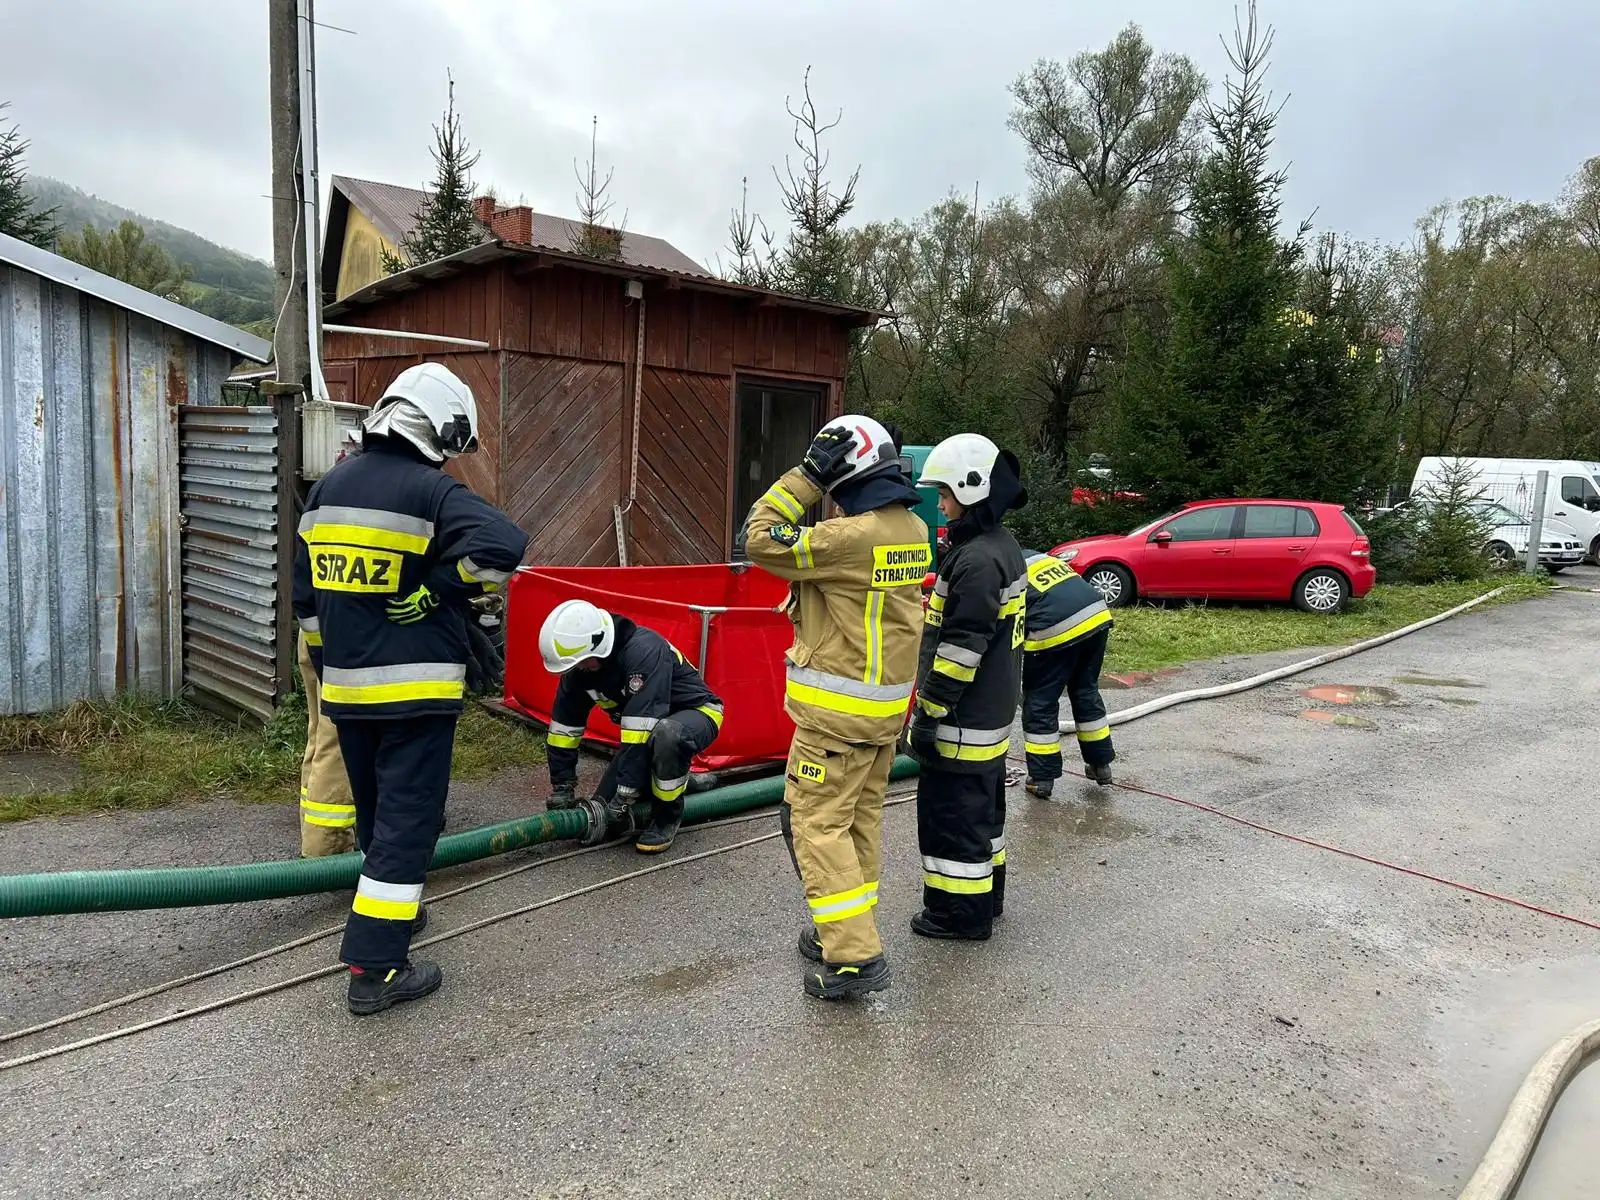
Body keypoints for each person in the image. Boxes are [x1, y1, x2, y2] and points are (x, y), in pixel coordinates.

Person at [293, 362, 528, 1016]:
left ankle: (394, 910)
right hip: (415, 694)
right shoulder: (430, 491)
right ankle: (376, 968)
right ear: (438, 430)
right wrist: (438, 589)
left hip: (346, 692)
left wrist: (331, 663)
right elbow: (506, 545)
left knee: (376, 817)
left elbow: (306, 601)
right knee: (408, 823)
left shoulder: (328, 490)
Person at [742, 414, 929, 1000]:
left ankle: (852, 958)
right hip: (882, 716)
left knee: (817, 827)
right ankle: (846, 930)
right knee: (858, 823)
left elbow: (759, 538)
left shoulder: (849, 539)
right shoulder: (912, 528)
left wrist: (806, 477)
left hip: (835, 723)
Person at [907, 433, 1028, 942]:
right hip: (989, 716)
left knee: (951, 820)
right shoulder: (1002, 547)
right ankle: (986, 899)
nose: (940, 505)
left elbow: (960, 650)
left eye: (945, 494)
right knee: (982, 817)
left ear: (971, 489)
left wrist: (929, 713)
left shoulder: (975, 560)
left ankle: (958, 915)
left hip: (961, 720)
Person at [537, 599, 723, 854]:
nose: (577, 669)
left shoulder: (643, 651)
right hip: (650, 727)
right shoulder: (582, 668)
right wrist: (562, 785)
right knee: (604, 818)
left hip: (697, 714)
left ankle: (666, 817)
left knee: (667, 735)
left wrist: (625, 795)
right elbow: (563, 729)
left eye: (581, 662)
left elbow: (640, 732)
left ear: (599, 646)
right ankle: (677, 781)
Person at [1018, 550, 1115, 793]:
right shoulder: (1035, 557)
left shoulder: (999, 567)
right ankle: (1101, 765)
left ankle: (1041, 779)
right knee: (1085, 691)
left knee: (1040, 701)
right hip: (1096, 615)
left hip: (1054, 626)